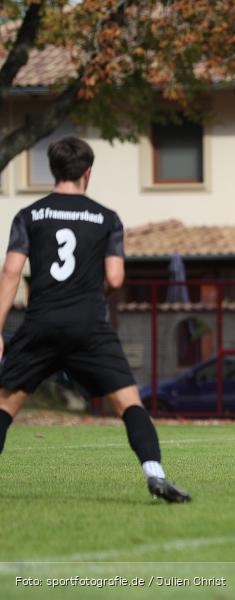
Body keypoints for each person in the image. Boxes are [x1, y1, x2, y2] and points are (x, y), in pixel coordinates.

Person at [0, 137, 190, 502]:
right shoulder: (106, 218)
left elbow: (11, 272)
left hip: (40, 323)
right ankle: (156, 474)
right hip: (88, 326)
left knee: (6, 405)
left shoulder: (28, 216)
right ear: (88, 173)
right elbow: (116, 278)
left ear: (52, 171)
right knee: (129, 403)